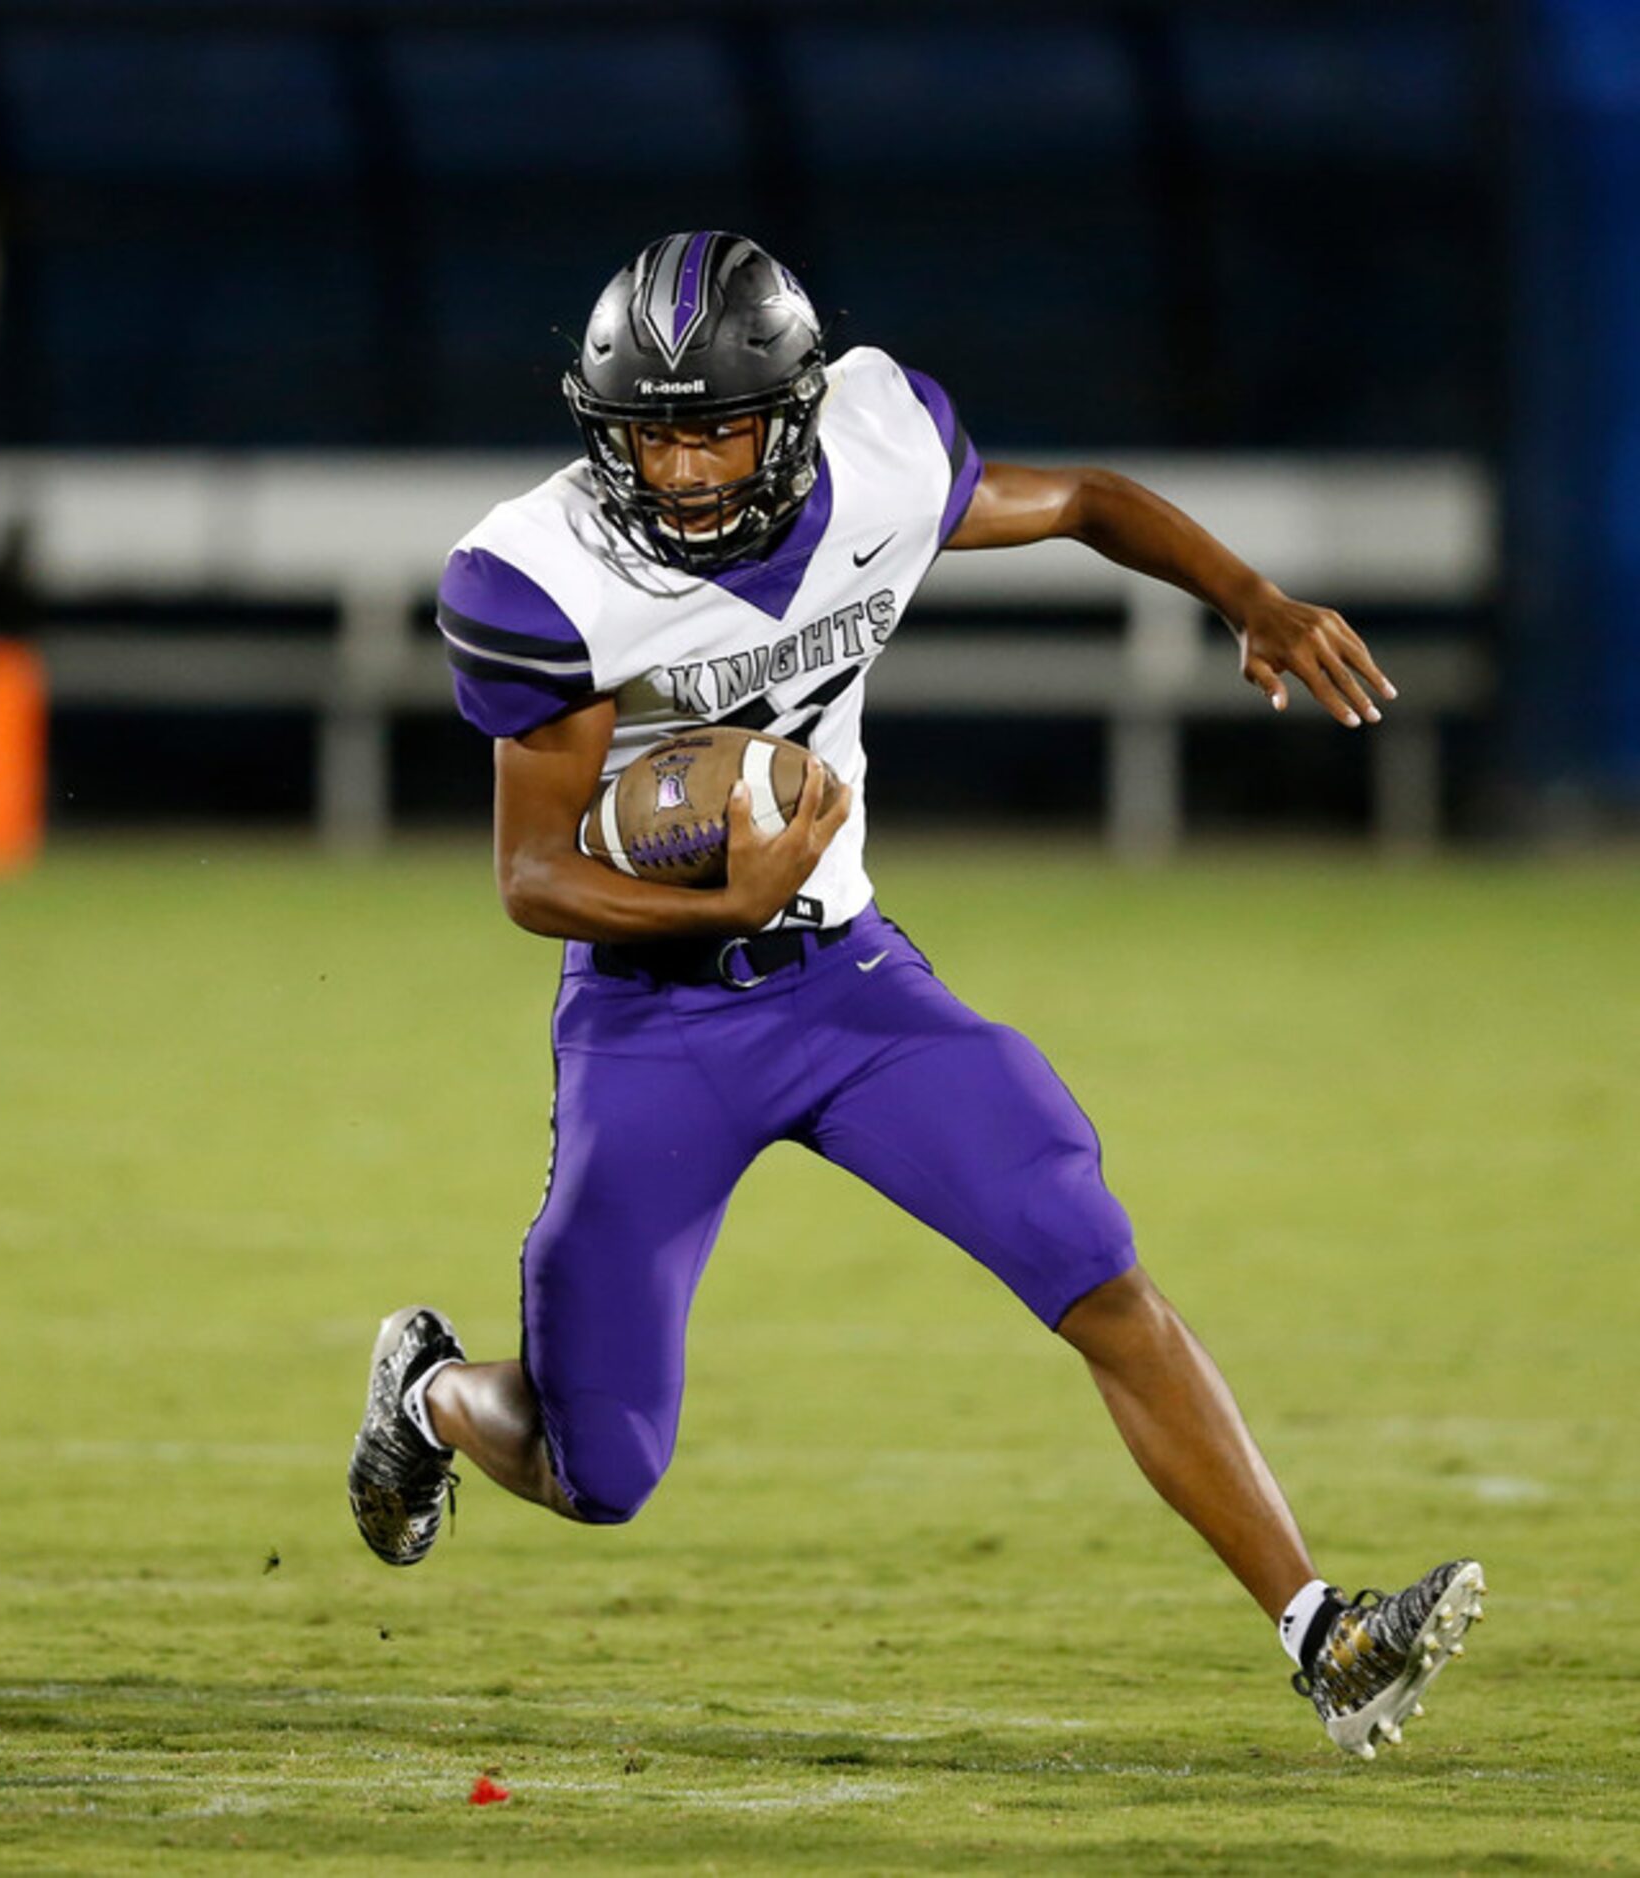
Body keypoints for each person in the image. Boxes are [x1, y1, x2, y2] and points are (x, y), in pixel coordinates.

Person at [347, 231, 1484, 1760]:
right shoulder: (541, 575)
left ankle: (1319, 1633)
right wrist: (725, 896)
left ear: (797, 414)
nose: (681, 469)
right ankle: (425, 1396)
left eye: (716, 427)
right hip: (649, 1020)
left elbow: (1081, 501)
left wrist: (1248, 595)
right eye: (651, 432)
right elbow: (530, 875)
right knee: (596, 1464)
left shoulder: (875, 464)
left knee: (1087, 1259)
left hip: (843, 978)